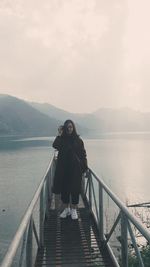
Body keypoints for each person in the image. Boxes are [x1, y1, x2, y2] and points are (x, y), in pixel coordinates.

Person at [52, 119, 88, 220]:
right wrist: (59, 134)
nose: (69, 129)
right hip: (64, 170)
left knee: (75, 190)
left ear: (74, 128)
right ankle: (67, 209)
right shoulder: (61, 139)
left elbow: (83, 154)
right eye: (67, 127)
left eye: (71, 127)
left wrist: (84, 167)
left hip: (76, 170)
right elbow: (55, 145)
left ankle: (73, 210)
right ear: (65, 128)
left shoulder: (78, 140)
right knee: (65, 190)